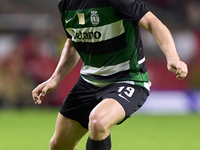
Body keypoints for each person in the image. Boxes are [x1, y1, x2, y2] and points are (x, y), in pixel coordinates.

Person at [32, 0, 188, 149]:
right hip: (89, 82)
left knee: (98, 121)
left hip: (127, 79)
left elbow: (152, 23)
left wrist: (173, 57)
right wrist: (55, 78)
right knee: (58, 146)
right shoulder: (66, 4)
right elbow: (73, 43)